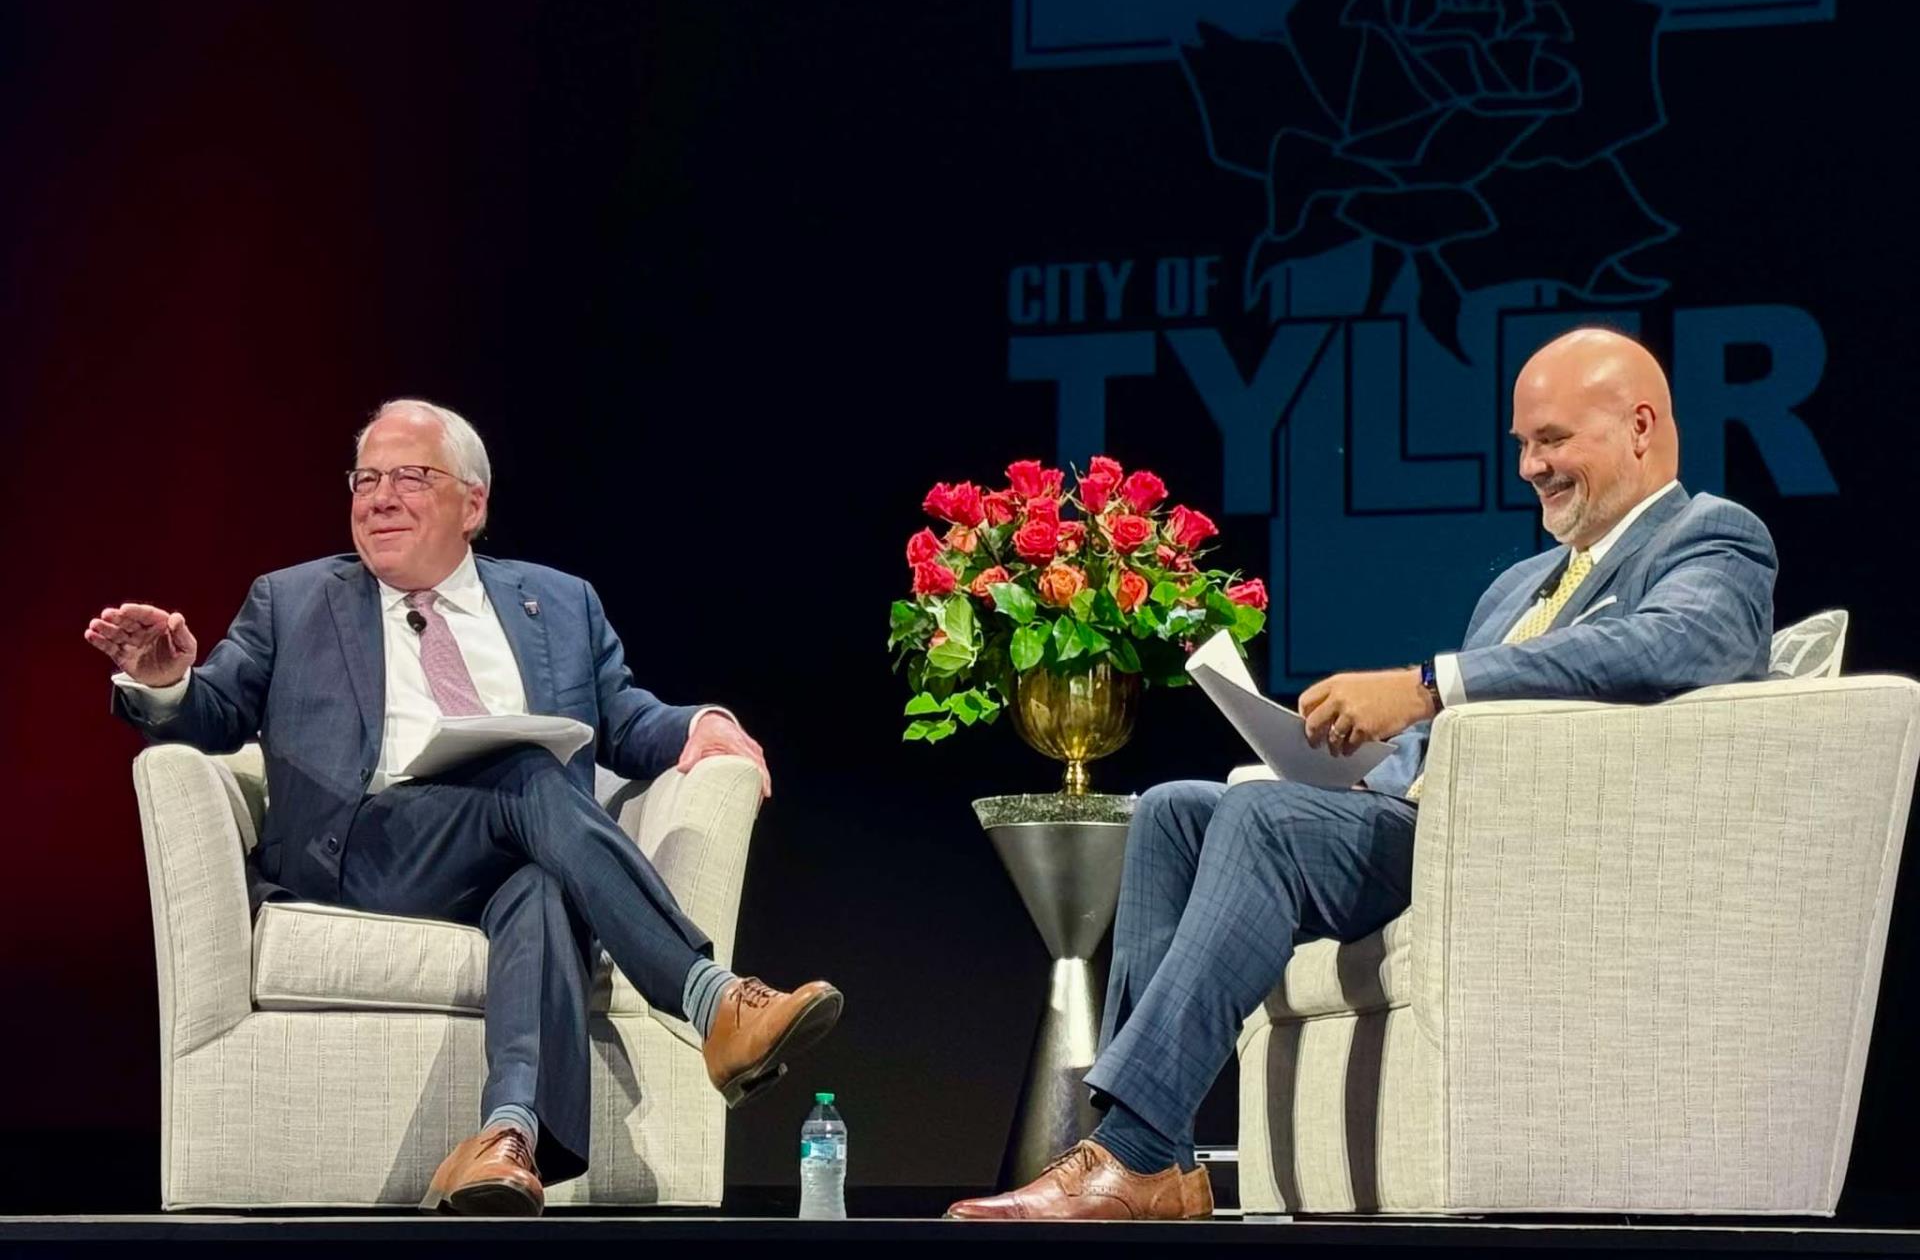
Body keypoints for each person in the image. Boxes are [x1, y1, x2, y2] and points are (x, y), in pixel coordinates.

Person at [946, 328, 1778, 1221]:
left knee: (1261, 825)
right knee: (1177, 811)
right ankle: (1166, 1165)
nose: (1532, 465)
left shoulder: (1711, 539)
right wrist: (1342, 767)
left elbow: (1676, 646)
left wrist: (1426, 686)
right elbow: (1454, 740)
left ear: (1642, 427)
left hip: (1535, 854)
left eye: (1553, 439)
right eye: (1524, 444)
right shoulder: (1522, 584)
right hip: (1425, 821)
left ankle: (1129, 1149)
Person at [85, 399, 842, 1217]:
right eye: (365, 479)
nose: (378, 497)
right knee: (528, 769)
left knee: (542, 887)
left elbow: (622, 718)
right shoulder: (293, 601)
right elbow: (214, 716)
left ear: (471, 505)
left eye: (409, 477)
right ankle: (708, 997)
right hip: (366, 854)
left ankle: (506, 1139)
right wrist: (165, 682)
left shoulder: (558, 603)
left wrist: (704, 722)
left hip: (511, 849)